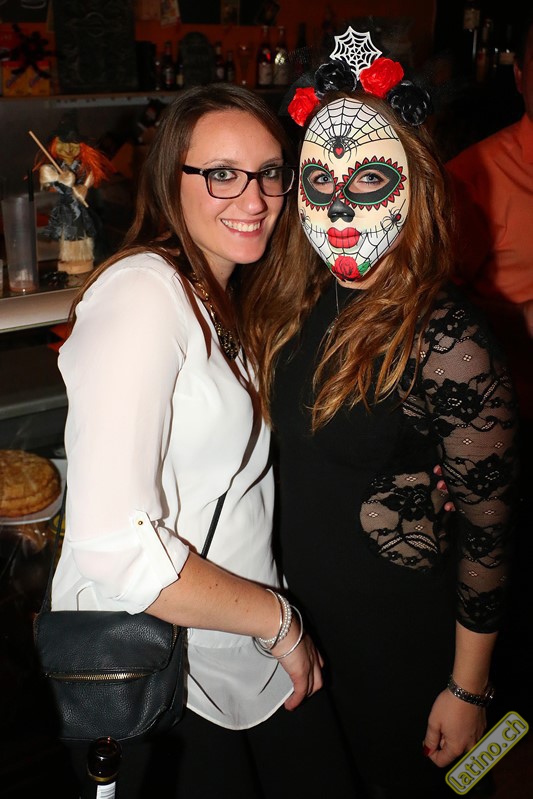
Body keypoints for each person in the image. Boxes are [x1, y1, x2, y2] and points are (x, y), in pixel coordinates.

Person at [51, 84, 357, 798]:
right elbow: (116, 546)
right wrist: (280, 622)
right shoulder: (144, 294)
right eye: (221, 173)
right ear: (171, 181)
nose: (254, 199)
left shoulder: (220, 296)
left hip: (230, 651)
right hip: (161, 668)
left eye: (270, 173)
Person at [240, 30, 519, 799]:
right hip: (296, 635)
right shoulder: (285, 302)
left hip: (399, 646)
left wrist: (467, 687)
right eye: (317, 179)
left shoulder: (447, 338)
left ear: (414, 186)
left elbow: (489, 529)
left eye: (367, 179)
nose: (336, 206)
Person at [36, 113, 114, 279]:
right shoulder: (56, 168)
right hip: (64, 207)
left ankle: (82, 256)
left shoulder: (81, 168)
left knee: (80, 229)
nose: (68, 149)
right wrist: (57, 179)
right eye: (63, 143)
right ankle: (69, 256)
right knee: (66, 231)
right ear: (55, 145)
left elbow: (89, 179)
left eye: (73, 144)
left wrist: (82, 188)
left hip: (77, 207)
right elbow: (49, 187)